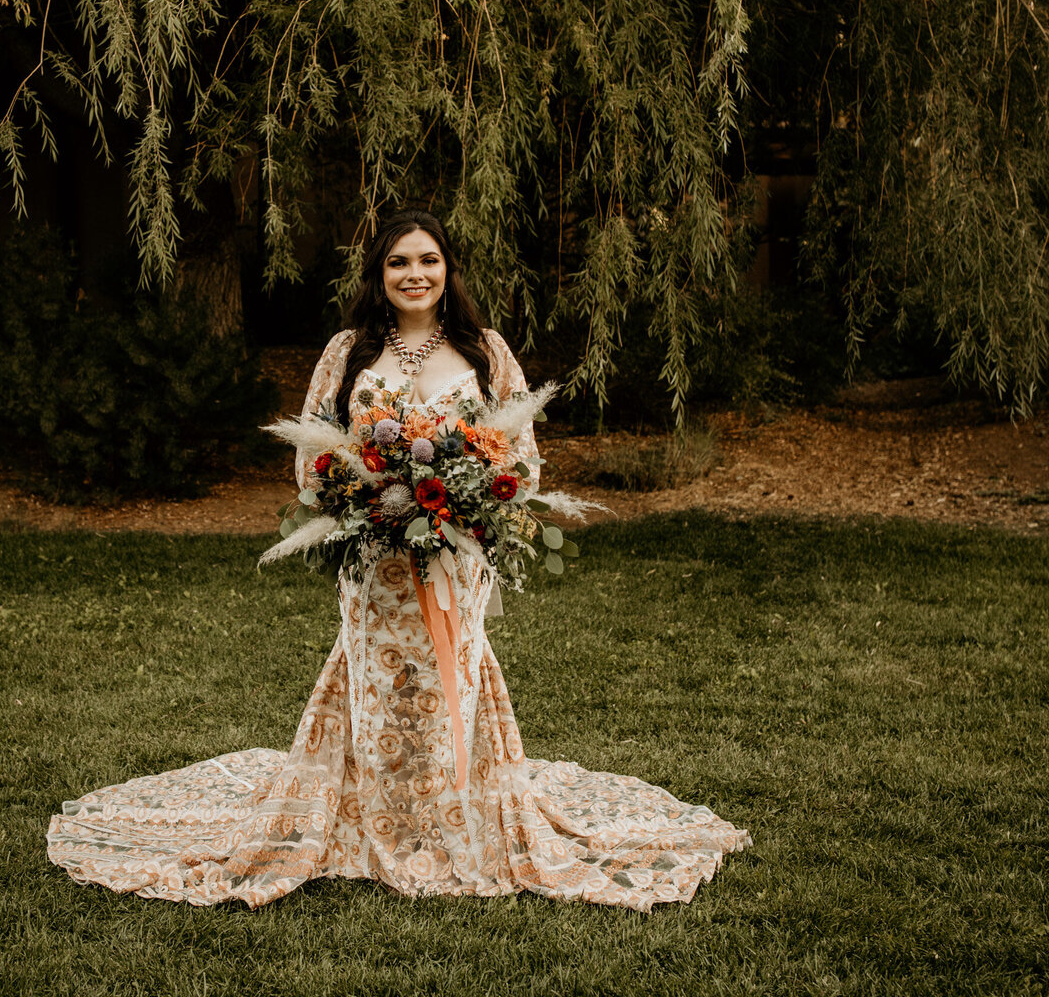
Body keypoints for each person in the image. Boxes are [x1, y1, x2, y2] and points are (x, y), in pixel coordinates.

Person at [47, 208, 750, 910]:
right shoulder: (348, 350)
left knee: (456, 677)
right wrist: (360, 500)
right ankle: (375, 815)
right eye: (399, 263)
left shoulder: (486, 351)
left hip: (457, 555)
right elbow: (313, 455)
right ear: (378, 275)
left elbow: (522, 459)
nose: (415, 275)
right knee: (378, 679)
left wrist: (468, 508)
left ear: (448, 270)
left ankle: (453, 815)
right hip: (376, 556)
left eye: (427, 261)